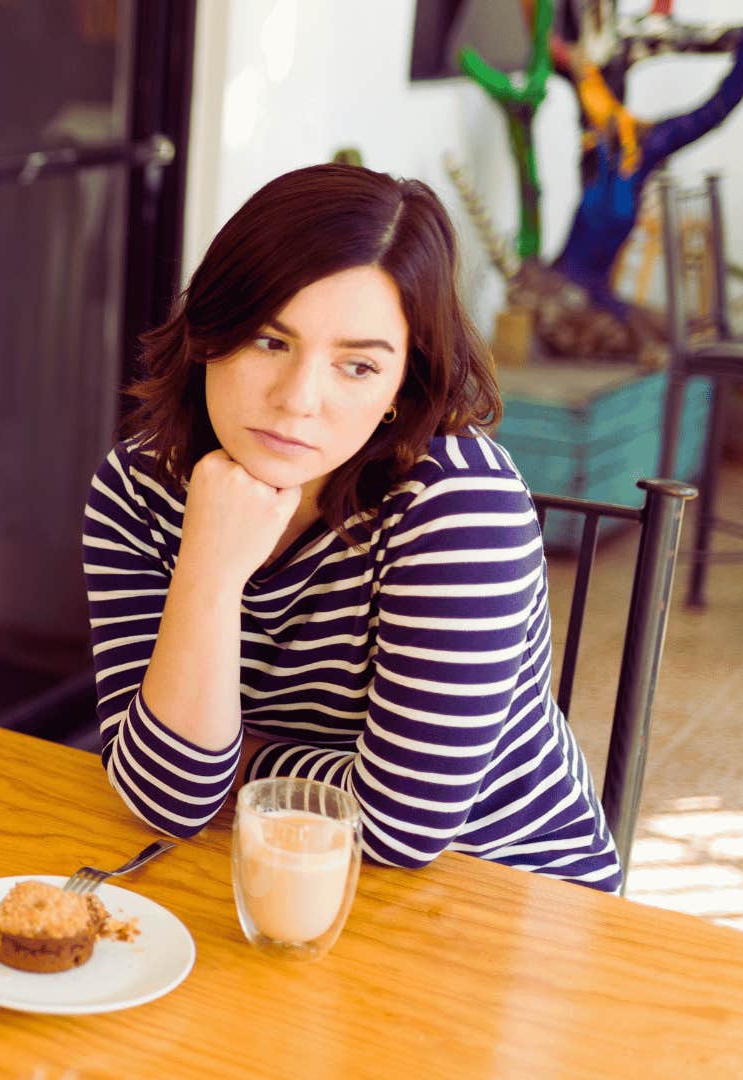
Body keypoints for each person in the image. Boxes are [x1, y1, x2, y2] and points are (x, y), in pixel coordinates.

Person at [83, 162, 621, 891]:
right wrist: (208, 572)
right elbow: (167, 797)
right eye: (270, 342)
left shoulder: (456, 502)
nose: (298, 400)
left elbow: (399, 826)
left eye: (357, 367)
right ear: (210, 332)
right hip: (261, 869)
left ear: (404, 383)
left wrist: (238, 760)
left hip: (504, 888)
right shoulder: (136, 488)